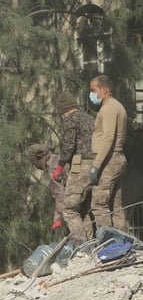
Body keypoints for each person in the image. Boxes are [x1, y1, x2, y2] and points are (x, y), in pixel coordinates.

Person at [52, 93, 96, 242]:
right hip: (95, 167)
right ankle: (91, 244)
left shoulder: (71, 119)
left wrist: (59, 166)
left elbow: (69, 145)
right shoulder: (90, 118)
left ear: (63, 111)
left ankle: (81, 244)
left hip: (80, 168)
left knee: (69, 209)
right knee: (84, 210)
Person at [88, 75, 128, 231]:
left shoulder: (109, 108)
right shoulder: (116, 106)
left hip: (108, 161)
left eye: (93, 90)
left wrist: (96, 165)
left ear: (104, 90)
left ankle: (108, 245)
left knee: (99, 204)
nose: (91, 94)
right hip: (116, 159)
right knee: (115, 206)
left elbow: (108, 137)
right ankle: (124, 244)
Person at [26, 144, 66, 231]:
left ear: (39, 158)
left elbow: (61, 194)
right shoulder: (61, 158)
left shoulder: (53, 168)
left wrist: (58, 219)